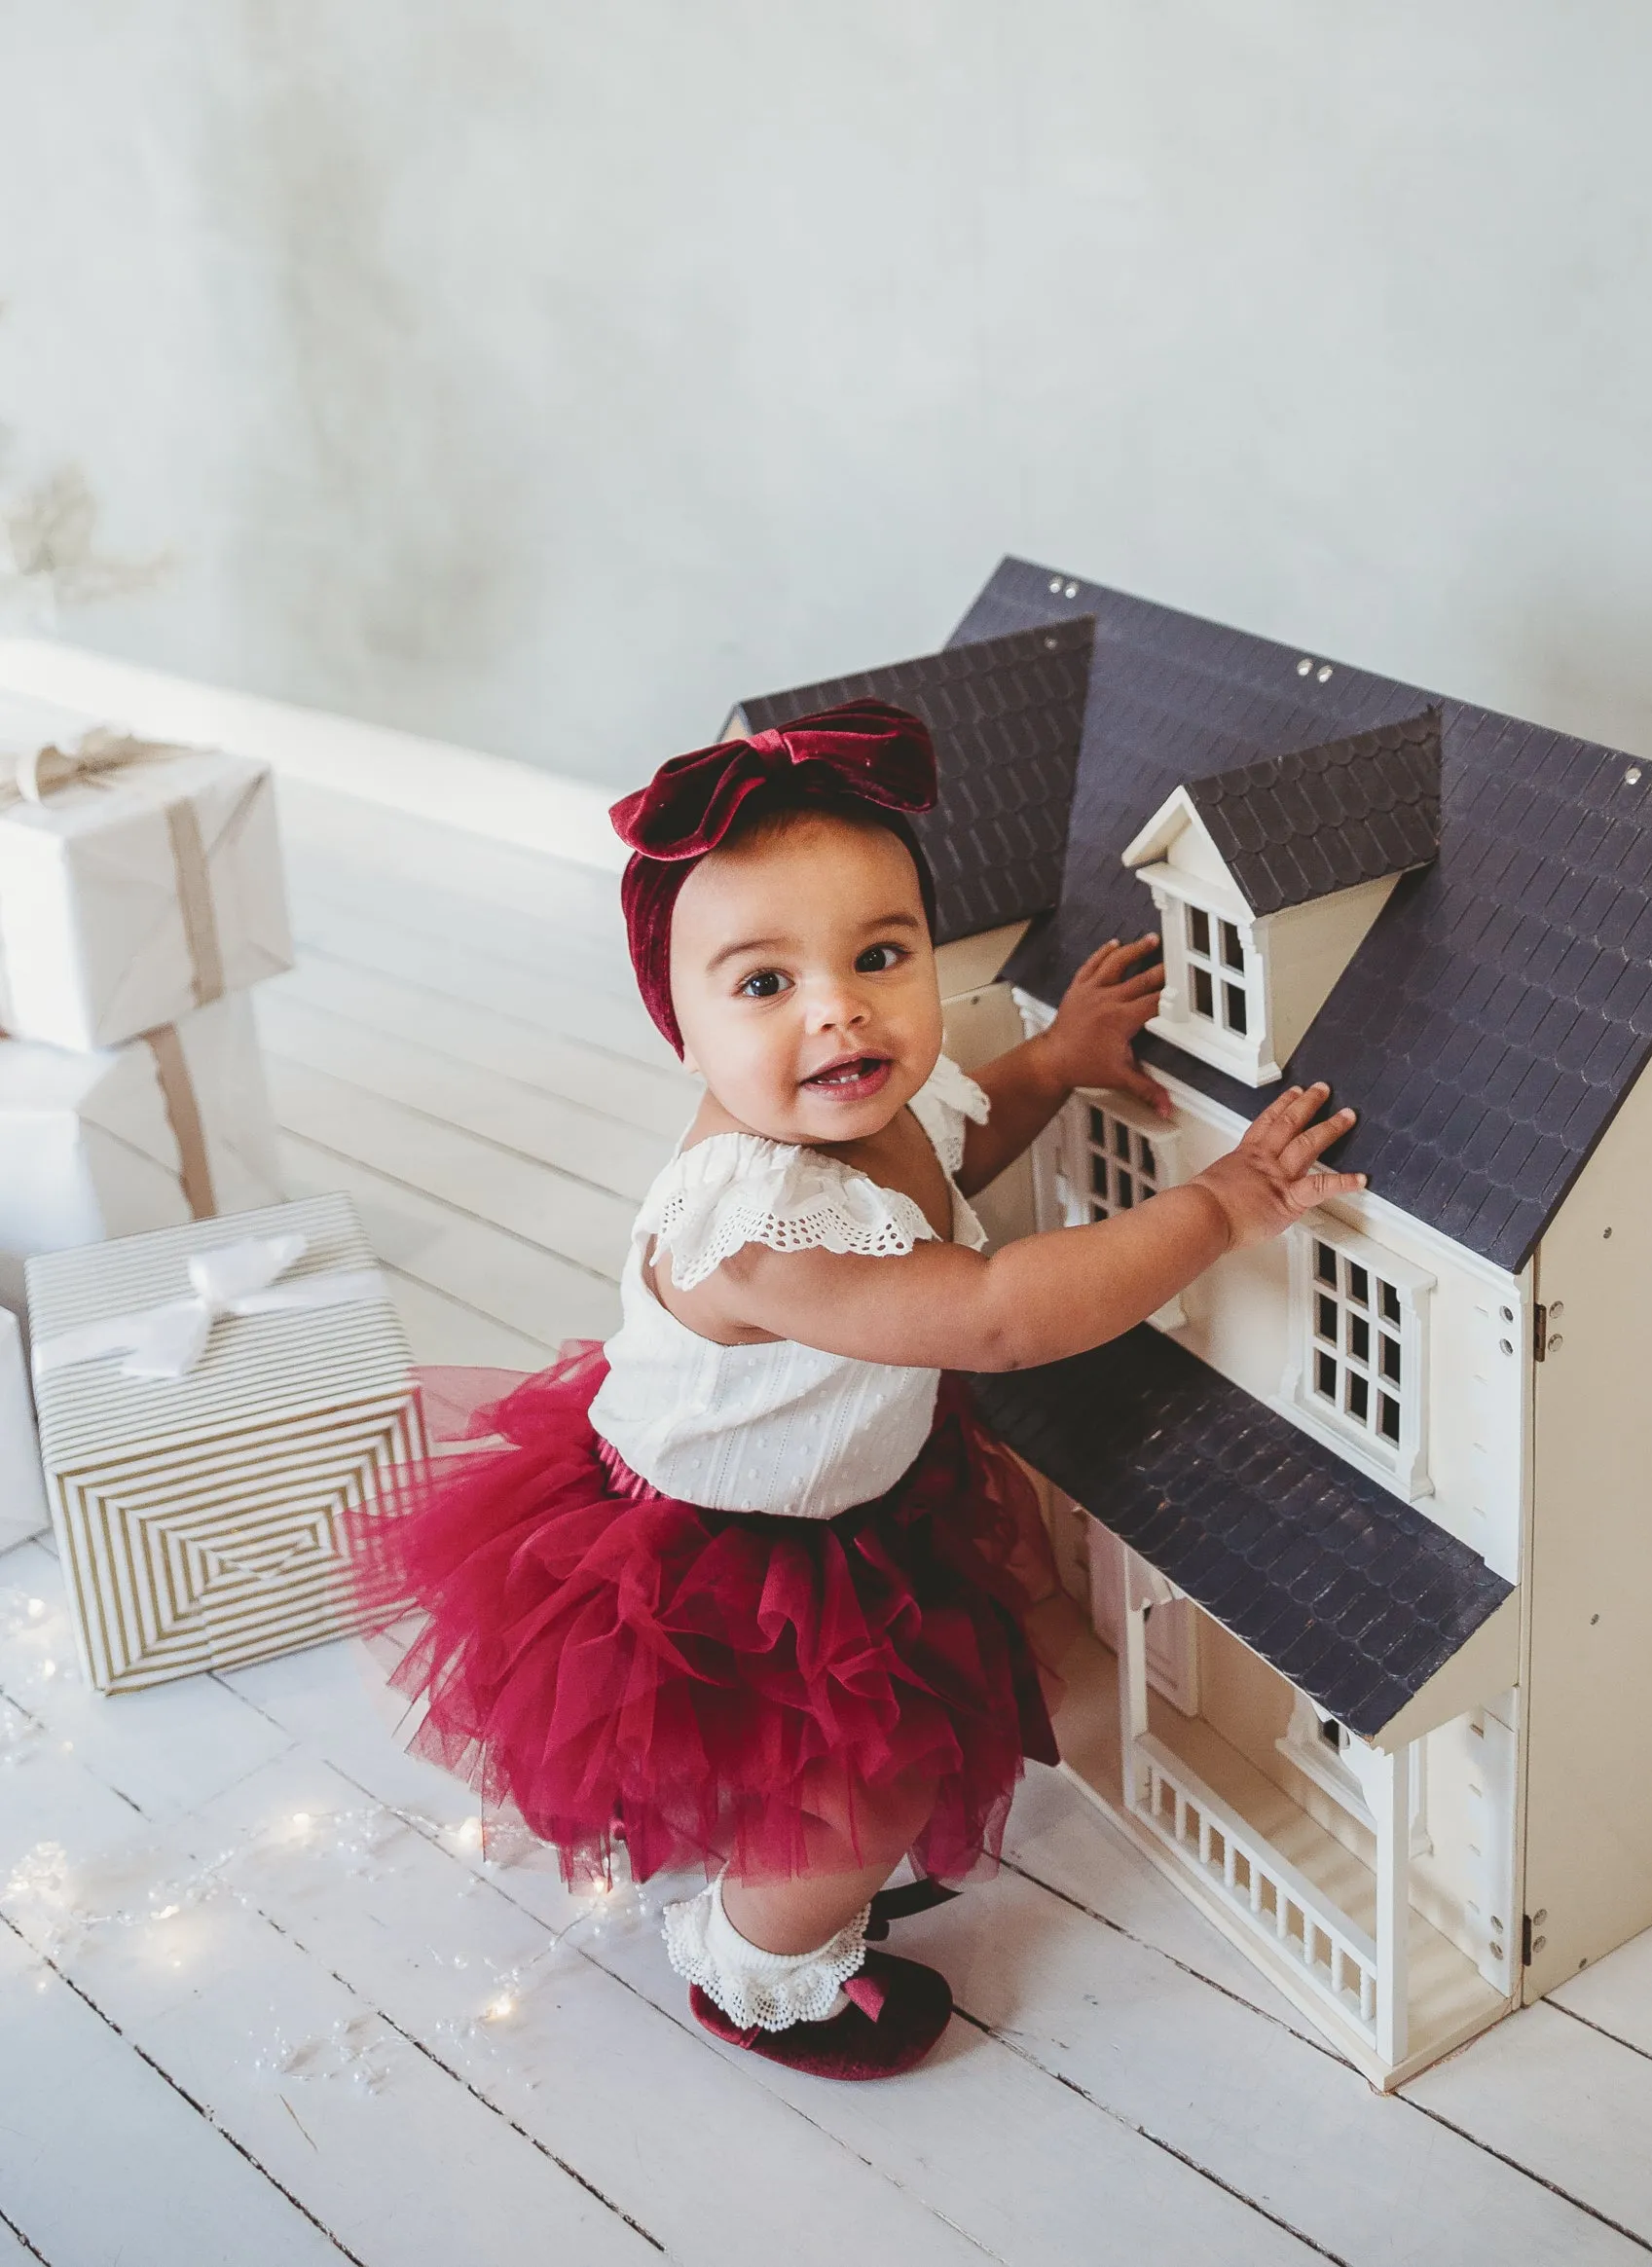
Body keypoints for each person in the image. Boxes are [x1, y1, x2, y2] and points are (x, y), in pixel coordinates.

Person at [346, 698, 1363, 2082]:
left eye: (880, 956)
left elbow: (958, 1138)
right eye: (763, 985)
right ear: (682, 1029)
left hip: (846, 1495)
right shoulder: (763, 1225)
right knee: (863, 1784)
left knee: (895, 1715)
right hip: (726, 1556)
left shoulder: (875, 1099)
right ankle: (753, 1964)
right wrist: (1221, 1207)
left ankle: (774, 1874)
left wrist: (1056, 1063)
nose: (839, 1007)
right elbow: (998, 1318)